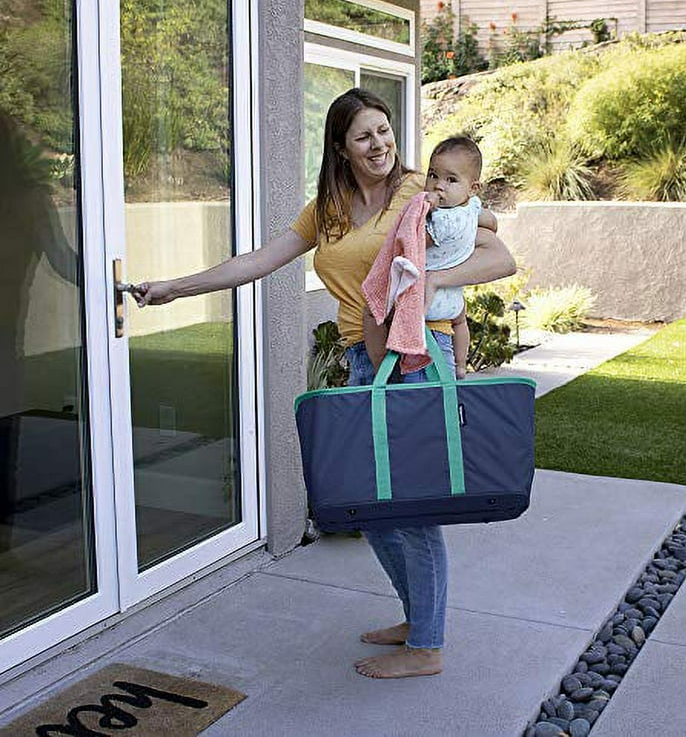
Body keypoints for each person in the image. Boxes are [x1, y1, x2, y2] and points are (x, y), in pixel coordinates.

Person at [133, 88, 516, 679]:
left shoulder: (422, 190)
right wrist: (176, 288)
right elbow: (258, 260)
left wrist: (427, 279)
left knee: (412, 505)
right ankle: (419, 618)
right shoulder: (328, 208)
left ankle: (428, 646)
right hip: (362, 360)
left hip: (417, 354)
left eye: (385, 131)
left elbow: (498, 254)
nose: (380, 145)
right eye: (364, 136)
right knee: (372, 505)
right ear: (340, 146)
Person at [362, 135, 497, 379]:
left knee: (373, 312)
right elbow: (492, 222)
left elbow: (411, 242)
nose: (438, 186)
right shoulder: (472, 208)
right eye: (433, 175)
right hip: (452, 300)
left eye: (451, 179)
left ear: (473, 187)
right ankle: (461, 363)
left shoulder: (444, 220)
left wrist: (417, 213)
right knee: (460, 323)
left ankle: (381, 365)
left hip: (426, 301)